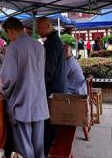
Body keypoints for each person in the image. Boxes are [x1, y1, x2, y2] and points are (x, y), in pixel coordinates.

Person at [0, 17, 49, 158]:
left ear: (10, 31)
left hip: (22, 104)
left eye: (8, 34)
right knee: (39, 147)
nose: (8, 37)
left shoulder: (13, 47)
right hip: (39, 102)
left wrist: (3, 90)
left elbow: (8, 78)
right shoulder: (39, 46)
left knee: (24, 149)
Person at [36, 17, 67, 156]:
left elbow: (48, 71)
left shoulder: (52, 43)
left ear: (48, 26)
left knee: (50, 126)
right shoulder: (54, 41)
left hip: (53, 90)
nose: (37, 31)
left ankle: (48, 152)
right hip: (57, 87)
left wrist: (37, 85)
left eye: (39, 28)